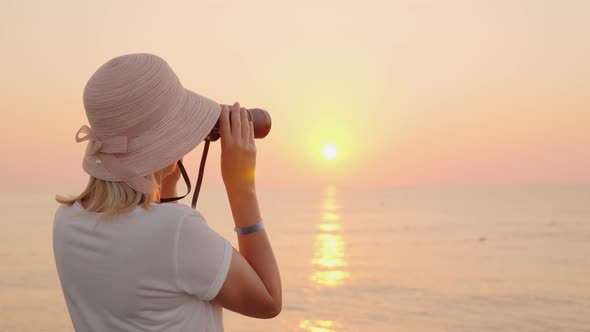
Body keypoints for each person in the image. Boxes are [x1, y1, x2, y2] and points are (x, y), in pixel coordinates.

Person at [52, 53, 282, 331]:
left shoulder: (66, 222)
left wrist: (164, 172)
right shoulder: (178, 231)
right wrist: (240, 186)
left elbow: (147, 266)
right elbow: (268, 301)